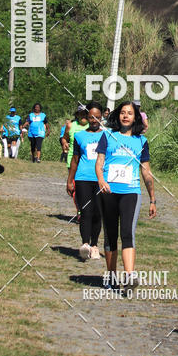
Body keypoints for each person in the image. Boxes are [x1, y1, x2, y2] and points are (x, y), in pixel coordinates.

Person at [96, 101, 156, 283]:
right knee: (110, 235)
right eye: (123, 112)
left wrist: (153, 199)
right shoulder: (108, 136)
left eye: (129, 113)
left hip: (131, 192)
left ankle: (130, 276)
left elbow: (146, 172)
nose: (125, 116)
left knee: (128, 233)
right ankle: (112, 276)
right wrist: (101, 180)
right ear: (118, 115)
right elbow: (99, 163)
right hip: (108, 192)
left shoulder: (142, 142)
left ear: (135, 117)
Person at [67, 102, 104, 260]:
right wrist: (70, 180)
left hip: (102, 180)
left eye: (97, 117)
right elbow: (75, 159)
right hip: (83, 178)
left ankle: (95, 245)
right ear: (86, 118)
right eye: (91, 117)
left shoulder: (108, 135)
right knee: (85, 211)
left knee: (98, 213)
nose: (94, 120)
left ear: (102, 117)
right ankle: (85, 245)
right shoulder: (79, 136)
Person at [65, 107, 89, 222]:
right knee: (74, 187)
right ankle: (80, 210)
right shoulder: (71, 125)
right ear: (77, 114)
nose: (83, 116)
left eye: (85, 114)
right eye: (81, 114)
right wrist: (64, 143)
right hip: (73, 160)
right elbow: (64, 138)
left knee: (85, 187)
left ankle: (87, 209)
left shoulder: (92, 126)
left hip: (87, 161)